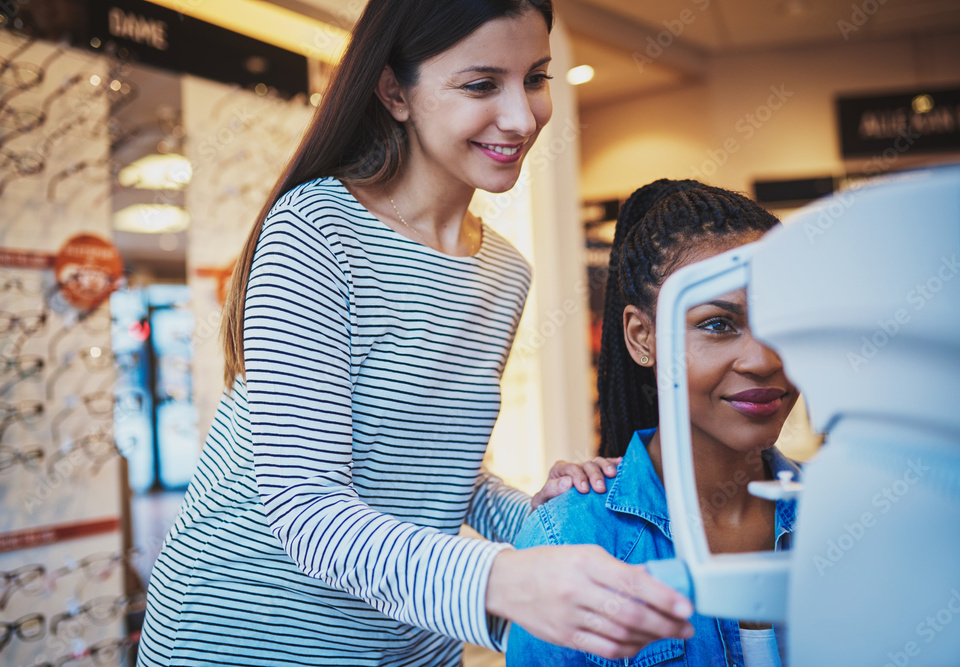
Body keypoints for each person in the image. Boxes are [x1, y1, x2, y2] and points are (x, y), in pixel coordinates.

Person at [136, 2, 694, 665]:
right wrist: (505, 579)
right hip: (245, 635)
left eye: (537, 78)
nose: (522, 118)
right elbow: (305, 503)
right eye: (482, 84)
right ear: (394, 90)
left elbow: (435, 472)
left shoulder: (504, 271)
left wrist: (551, 519)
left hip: (404, 641)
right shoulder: (316, 228)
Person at [506, 179, 802, 666]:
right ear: (642, 337)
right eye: (717, 324)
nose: (763, 359)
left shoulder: (846, 519)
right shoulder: (575, 541)